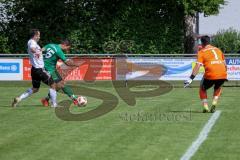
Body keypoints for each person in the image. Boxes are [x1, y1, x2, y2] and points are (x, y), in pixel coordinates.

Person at [12, 29, 58, 107]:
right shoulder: (31, 42)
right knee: (53, 84)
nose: (39, 37)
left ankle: (19, 98)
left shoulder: (34, 43)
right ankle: (54, 104)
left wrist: (39, 50)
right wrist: (35, 51)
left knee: (35, 88)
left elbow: (35, 49)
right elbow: (32, 48)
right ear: (35, 35)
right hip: (40, 69)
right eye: (38, 35)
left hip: (35, 70)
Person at [184, 35, 227, 113]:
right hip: (223, 73)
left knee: (202, 89)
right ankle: (214, 103)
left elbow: (197, 66)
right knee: (218, 87)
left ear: (202, 43)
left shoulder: (201, 52)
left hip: (211, 74)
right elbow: (225, 64)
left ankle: (206, 107)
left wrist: (190, 79)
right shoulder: (218, 50)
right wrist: (224, 75)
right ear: (209, 41)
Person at [40, 39, 81, 106]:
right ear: (65, 45)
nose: (67, 50)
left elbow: (41, 50)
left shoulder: (51, 45)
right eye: (68, 48)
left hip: (51, 69)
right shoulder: (59, 51)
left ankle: (46, 100)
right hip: (48, 70)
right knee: (60, 85)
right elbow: (67, 63)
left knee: (61, 84)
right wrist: (76, 64)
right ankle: (74, 99)